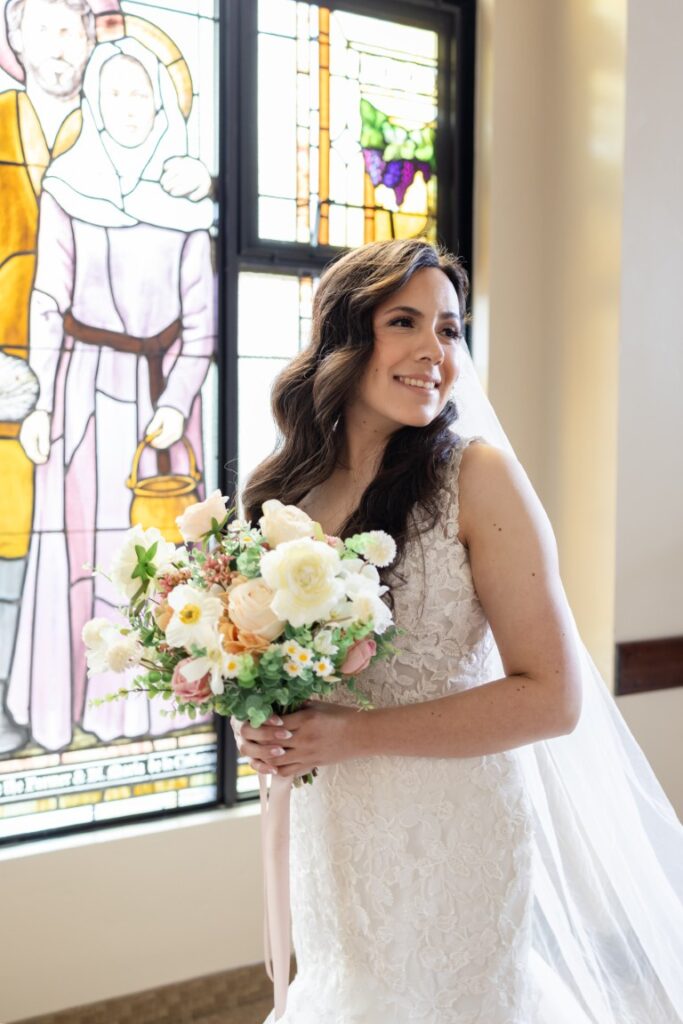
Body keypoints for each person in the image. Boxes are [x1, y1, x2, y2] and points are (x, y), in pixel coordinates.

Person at [234, 238, 683, 1023]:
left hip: (453, 832)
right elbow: (280, 669)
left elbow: (552, 699)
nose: (433, 350)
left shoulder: (476, 479)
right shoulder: (288, 492)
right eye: (403, 322)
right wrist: (268, 725)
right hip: (333, 829)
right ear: (344, 337)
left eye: (448, 328)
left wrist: (351, 736)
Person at [0, 0, 212, 753]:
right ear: (95, 100)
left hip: (158, 404)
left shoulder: (187, 206)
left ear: (159, 107)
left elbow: (202, 326)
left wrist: (176, 403)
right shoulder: (68, 185)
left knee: (150, 562)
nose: (128, 107)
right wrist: (37, 406)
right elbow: (48, 300)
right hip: (80, 391)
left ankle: (147, 711)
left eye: (141, 96)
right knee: (80, 554)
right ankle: (70, 705)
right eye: (115, 93)